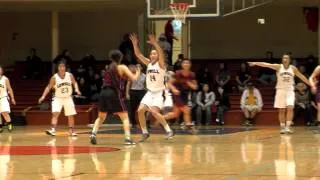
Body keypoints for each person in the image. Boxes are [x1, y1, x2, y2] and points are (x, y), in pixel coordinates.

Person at [248, 53, 310, 134]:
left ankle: (288, 127)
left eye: (286, 58)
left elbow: (301, 76)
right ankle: (282, 127)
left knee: (290, 107)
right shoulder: (278, 67)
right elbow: (266, 65)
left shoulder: (293, 68)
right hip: (280, 90)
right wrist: (255, 63)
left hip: (290, 90)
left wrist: (310, 84)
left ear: (289, 60)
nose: (284, 59)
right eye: (283, 58)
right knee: (281, 110)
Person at [90, 50, 140, 145]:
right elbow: (134, 78)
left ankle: (93, 134)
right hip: (114, 93)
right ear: (120, 58)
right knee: (125, 117)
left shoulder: (108, 68)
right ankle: (128, 139)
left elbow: (118, 79)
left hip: (103, 93)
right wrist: (138, 71)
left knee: (101, 117)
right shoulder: (122, 67)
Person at [130, 33, 174, 142]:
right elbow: (138, 54)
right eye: (151, 54)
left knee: (154, 112)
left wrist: (155, 43)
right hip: (150, 92)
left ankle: (169, 130)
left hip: (159, 93)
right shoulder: (149, 63)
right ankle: (145, 132)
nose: (152, 55)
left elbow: (161, 53)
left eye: (155, 53)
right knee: (140, 110)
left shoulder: (161, 64)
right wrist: (135, 44)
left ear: (158, 56)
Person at [38, 61, 81, 137]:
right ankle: (53, 130)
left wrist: (77, 89)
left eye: (63, 66)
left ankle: (71, 131)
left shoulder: (70, 75)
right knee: (55, 113)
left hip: (68, 97)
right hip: (58, 97)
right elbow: (48, 87)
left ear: (65, 68)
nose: (62, 68)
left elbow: (75, 83)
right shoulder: (54, 77)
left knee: (70, 115)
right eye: (60, 66)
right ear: (57, 68)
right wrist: (43, 96)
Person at [163, 59, 198, 134]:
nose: (186, 64)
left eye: (188, 63)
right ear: (182, 65)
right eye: (184, 63)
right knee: (186, 110)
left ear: (190, 64)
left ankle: (161, 118)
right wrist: (174, 89)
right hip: (177, 95)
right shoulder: (178, 73)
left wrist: (189, 83)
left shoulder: (192, 75)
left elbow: (195, 87)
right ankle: (190, 128)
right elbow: (169, 83)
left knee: (176, 114)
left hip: (185, 95)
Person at [126, 64, 146, 129]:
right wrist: (127, 94)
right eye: (137, 67)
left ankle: (144, 123)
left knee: (143, 108)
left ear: (142, 68)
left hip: (141, 92)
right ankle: (133, 123)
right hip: (133, 92)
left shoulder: (144, 76)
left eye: (140, 66)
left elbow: (146, 85)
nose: (138, 68)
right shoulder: (132, 75)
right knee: (132, 108)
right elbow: (128, 84)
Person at [0, 67, 16, 133]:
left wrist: (12, 98)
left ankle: (9, 124)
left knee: (4, 112)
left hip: (4, 97)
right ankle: (0, 127)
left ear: (2, 71)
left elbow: (9, 89)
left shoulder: (5, 79)